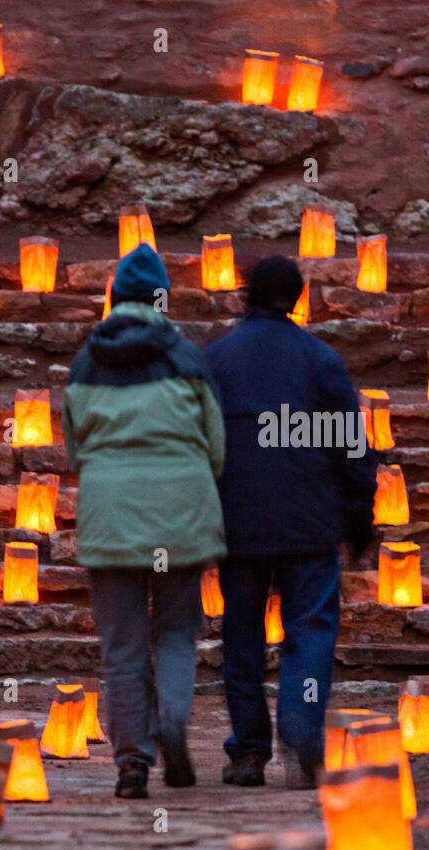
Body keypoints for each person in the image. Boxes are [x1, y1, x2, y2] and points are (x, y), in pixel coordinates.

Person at [205, 256, 377, 788]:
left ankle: (249, 753)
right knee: (310, 632)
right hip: (309, 522)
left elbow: (197, 445)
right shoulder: (321, 361)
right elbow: (351, 446)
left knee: (242, 637)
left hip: (239, 523)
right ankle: (302, 737)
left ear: (246, 295)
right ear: (299, 299)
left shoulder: (216, 361)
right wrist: (358, 516)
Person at [62, 243, 226, 799]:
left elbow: (76, 451)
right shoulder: (188, 357)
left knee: (122, 646)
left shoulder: (86, 362)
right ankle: (173, 720)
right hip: (180, 513)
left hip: (110, 518)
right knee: (177, 631)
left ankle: (132, 762)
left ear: (113, 299)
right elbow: (217, 447)